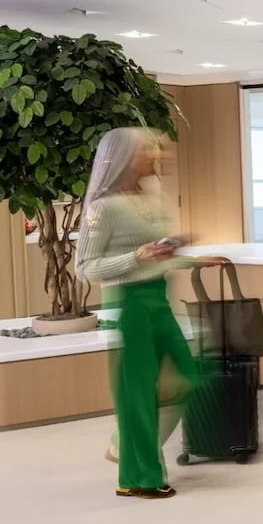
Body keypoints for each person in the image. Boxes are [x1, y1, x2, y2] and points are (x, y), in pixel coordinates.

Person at [76, 127, 222, 498]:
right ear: (125, 157)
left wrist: (189, 259)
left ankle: (122, 441)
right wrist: (135, 257)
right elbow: (87, 267)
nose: (157, 156)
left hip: (157, 301)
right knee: (137, 392)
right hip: (127, 306)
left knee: (188, 375)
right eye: (147, 151)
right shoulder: (102, 207)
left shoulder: (148, 199)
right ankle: (139, 478)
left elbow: (156, 255)